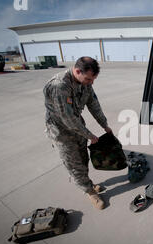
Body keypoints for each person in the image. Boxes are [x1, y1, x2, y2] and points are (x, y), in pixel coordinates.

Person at [44, 56, 112, 210]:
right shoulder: (59, 86)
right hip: (61, 132)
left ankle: (87, 183)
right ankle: (89, 191)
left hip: (77, 127)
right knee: (74, 164)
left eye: (93, 79)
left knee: (83, 158)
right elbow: (67, 119)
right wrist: (90, 135)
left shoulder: (85, 83)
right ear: (77, 71)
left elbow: (94, 104)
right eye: (88, 79)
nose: (91, 83)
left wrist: (104, 125)